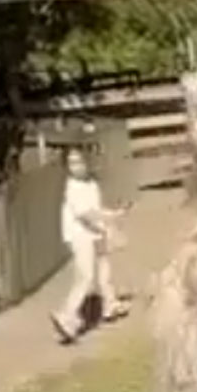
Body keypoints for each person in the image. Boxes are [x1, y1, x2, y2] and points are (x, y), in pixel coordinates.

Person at [50, 147, 130, 344]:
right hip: (80, 236)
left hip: (95, 231)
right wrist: (108, 222)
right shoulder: (72, 187)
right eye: (71, 163)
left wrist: (112, 217)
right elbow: (85, 215)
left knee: (104, 265)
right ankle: (67, 315)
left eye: (79, 161)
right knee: (85, 276)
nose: (76, 167)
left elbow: (96, 209)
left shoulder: (91, 184)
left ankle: (110, 304)